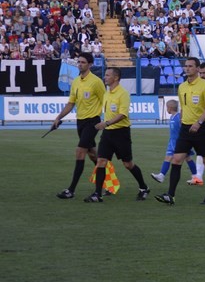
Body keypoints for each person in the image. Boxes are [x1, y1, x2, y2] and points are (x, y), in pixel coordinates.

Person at [154, 57, 205, 205]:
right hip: (185, 129)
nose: (187, 68)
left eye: (190, 66)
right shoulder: (182, 86)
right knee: (177, 160)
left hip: (201, 129)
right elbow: (183, 106)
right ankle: (170, 195)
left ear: (197, 69)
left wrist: (199, 122)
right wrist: (182, 120)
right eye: (186, 66)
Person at [82, 67, 150, 202]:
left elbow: (123, 114)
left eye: (108, 75)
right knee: (101, 161)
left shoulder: (123, 94)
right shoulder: (106, 93)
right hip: (108, 133)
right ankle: (97, 194)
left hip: (121, 133)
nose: (105, 77)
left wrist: (106, 123)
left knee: (128, 164)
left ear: (116, 78)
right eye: (105, 75)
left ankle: (143, 187)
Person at [53, 52, 105, 199]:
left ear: (90, 64)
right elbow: (71, 103)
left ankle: (71, 190)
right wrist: (58, 118)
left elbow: (106, 101)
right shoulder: (76, 81)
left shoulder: (96, 82)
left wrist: (107, 122)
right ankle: (107, 182)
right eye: (79, 62)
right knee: (93, 154)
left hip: (93, 121)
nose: (80, 64)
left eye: (83, 62)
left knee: (80, 151)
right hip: (80, 122)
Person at [151, 100, 200, 183]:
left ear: (169, 108)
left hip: (180, 142)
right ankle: (161, 175)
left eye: (167, 107)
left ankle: (196, 177)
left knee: (187, 158)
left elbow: (184, 128)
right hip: (172, 142)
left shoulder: (178, 117)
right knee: (169, 157)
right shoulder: (172, 117)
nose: (166, 109)